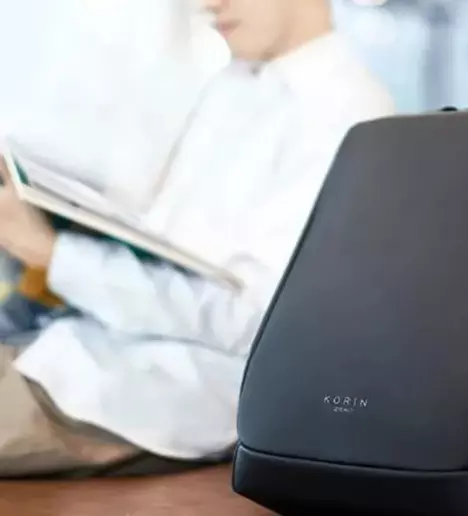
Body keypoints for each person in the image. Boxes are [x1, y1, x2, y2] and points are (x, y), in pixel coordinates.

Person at [0, 0, 395, 477]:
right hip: (82, 344)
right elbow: (171, 244)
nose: (207, 2)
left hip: (134, 389)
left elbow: (256, 323)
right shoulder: (234, 84)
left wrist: (57, 256)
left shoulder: (346, 117)